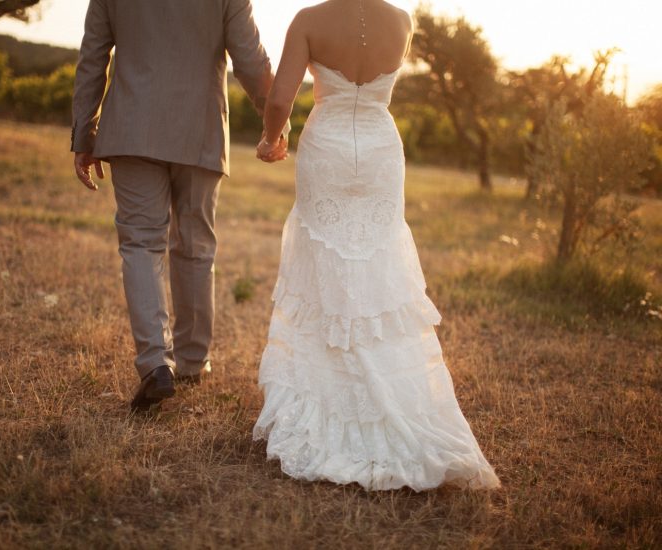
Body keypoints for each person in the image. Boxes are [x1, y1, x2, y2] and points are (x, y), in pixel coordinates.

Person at [253, 0, 500, 491]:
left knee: (326, 258)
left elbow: (280, 100)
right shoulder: (402, 22)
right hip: (382, 149)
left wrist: (271, 137)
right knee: (378, 260)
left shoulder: (308, 20)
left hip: (327, 149)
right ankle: (389, 391)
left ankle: (331, 391)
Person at [71, 0, 288, 411]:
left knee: (140, 243)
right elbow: (250, 58)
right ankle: (191, 360)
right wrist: (273, 119)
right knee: (195, 248)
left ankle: (156, 364)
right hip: (201, 131)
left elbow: (93, 57)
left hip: (132, 129)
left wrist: (85, 133)